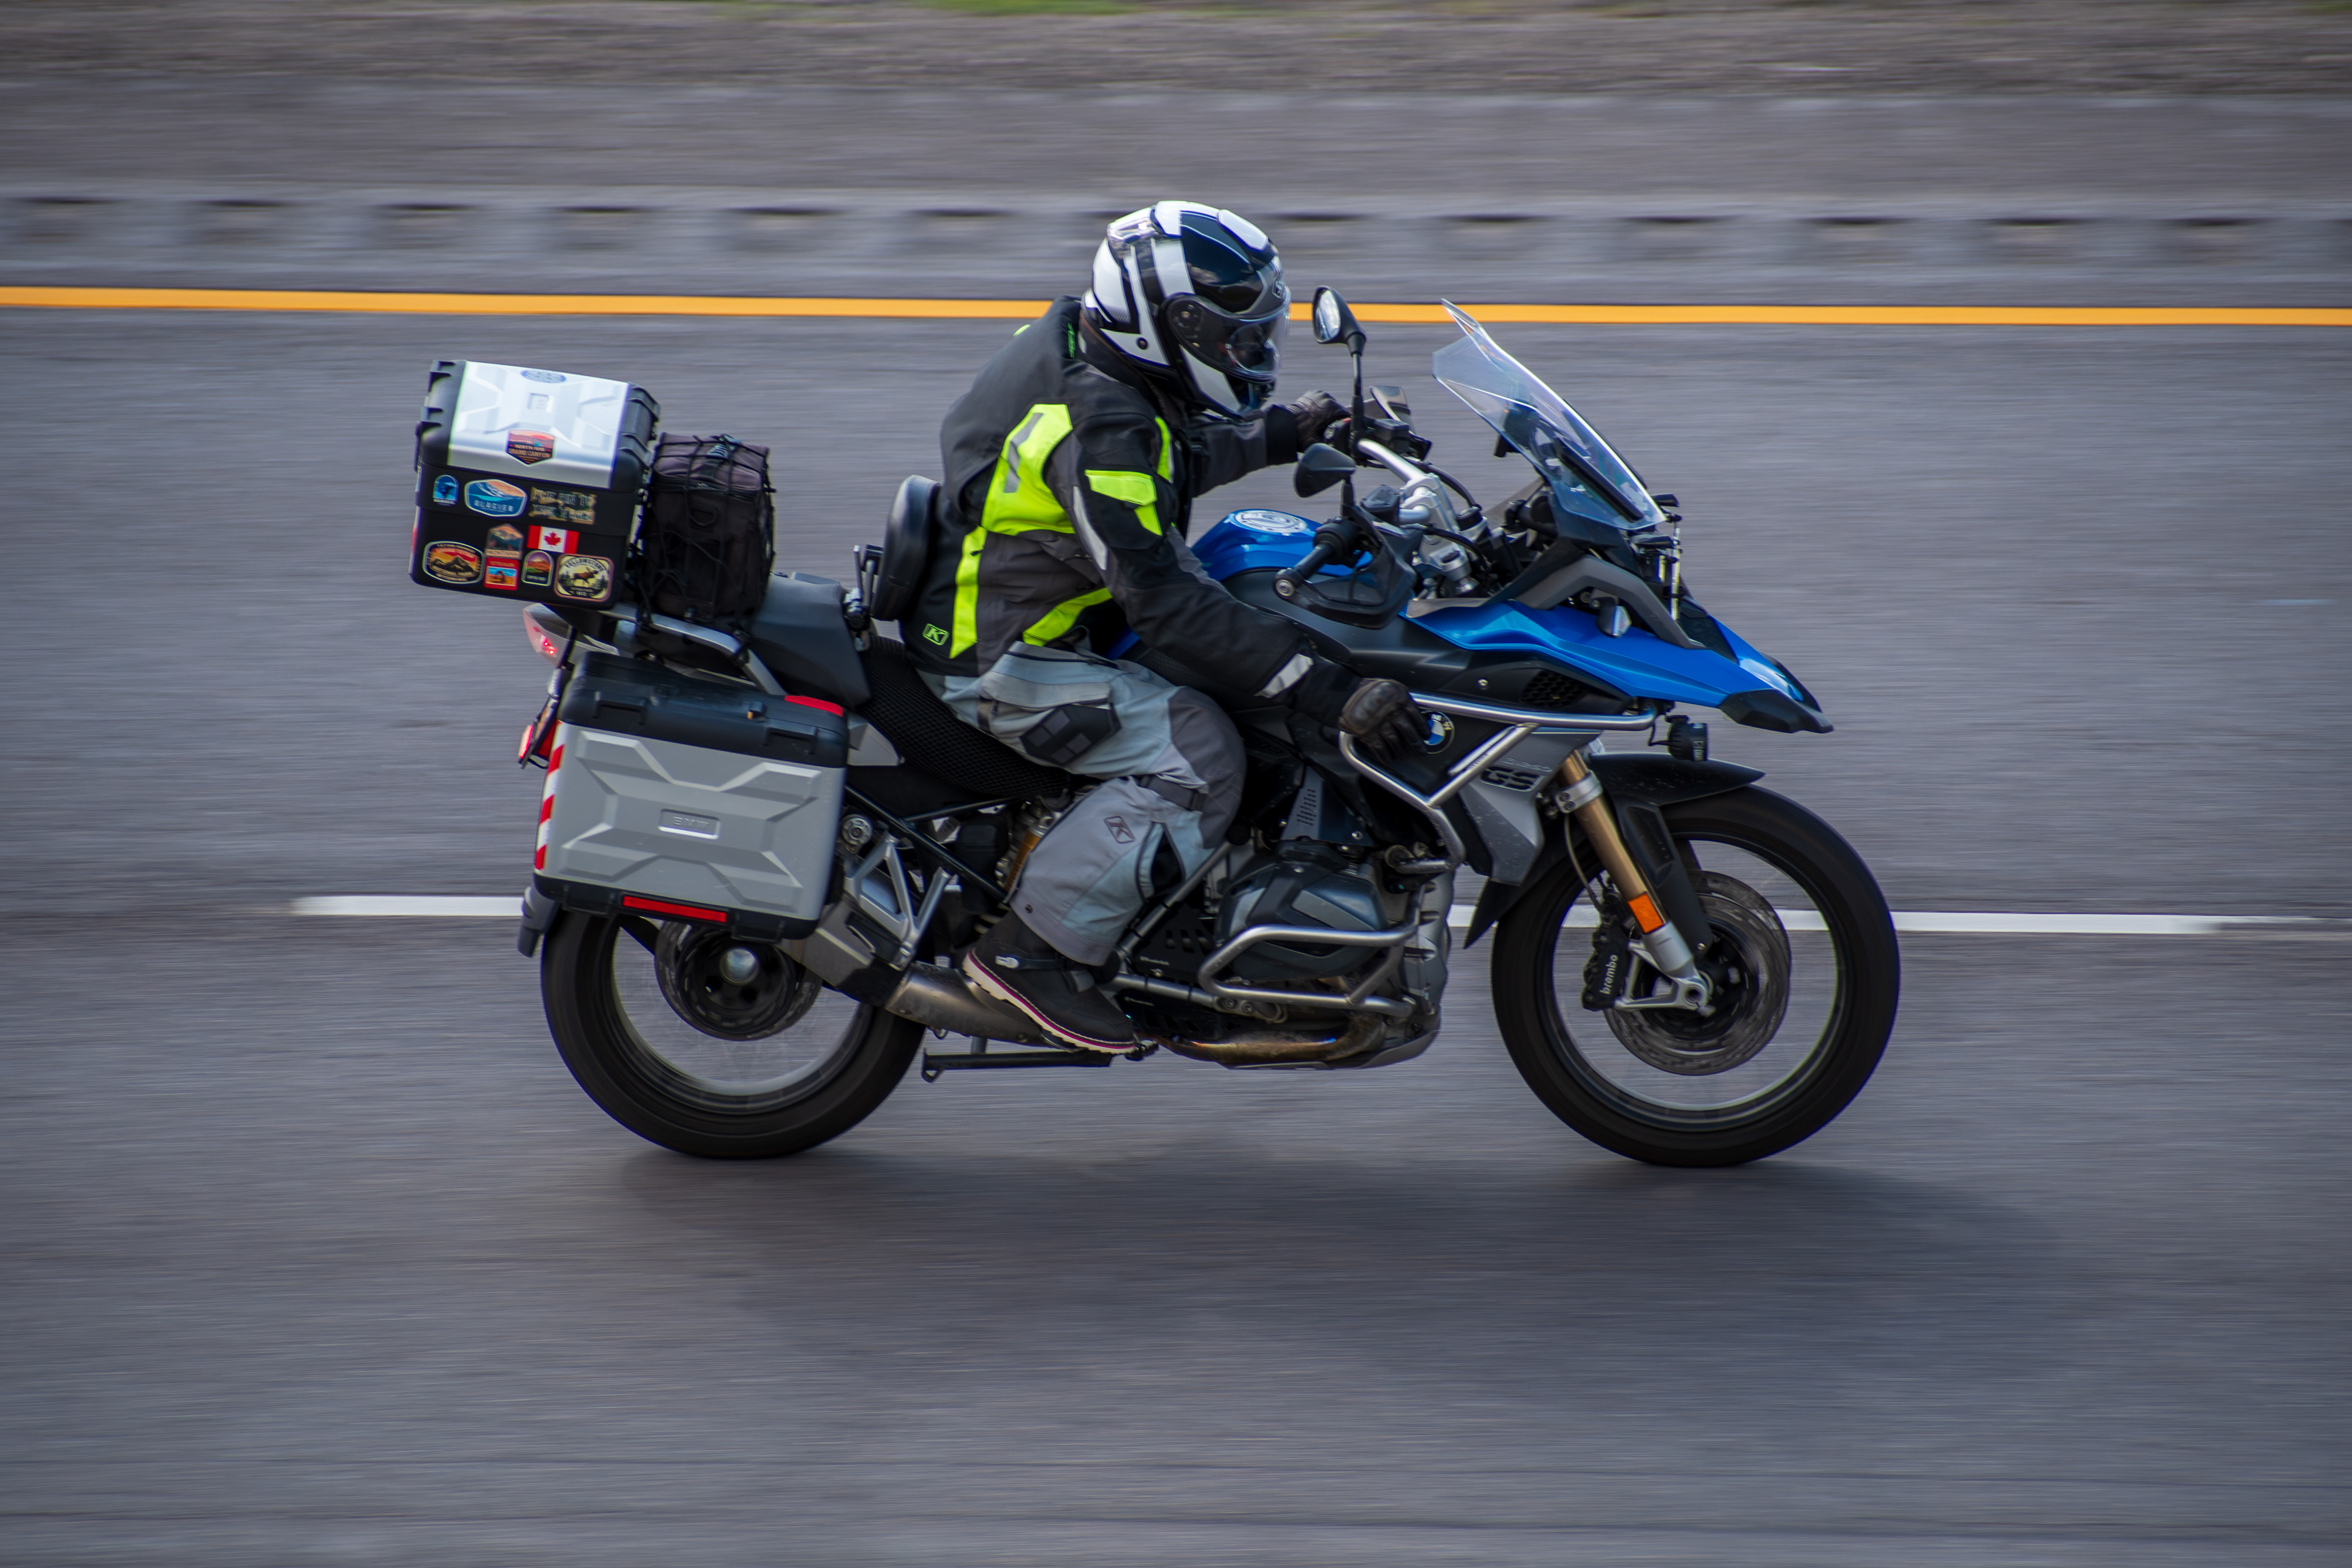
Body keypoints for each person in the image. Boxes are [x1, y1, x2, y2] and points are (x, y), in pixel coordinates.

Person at [905, 200, 1423, 1054]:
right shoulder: (1099, 419)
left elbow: (1167, 454)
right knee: (1199, 749)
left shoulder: (1097, 352)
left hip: (1030, 604)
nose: (1247, 354)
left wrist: (1294, 429)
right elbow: (1163, 601)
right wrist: (1329, 687)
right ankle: (1031, 955)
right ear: (1170, 323)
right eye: (1235, 337)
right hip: (1001, 656)